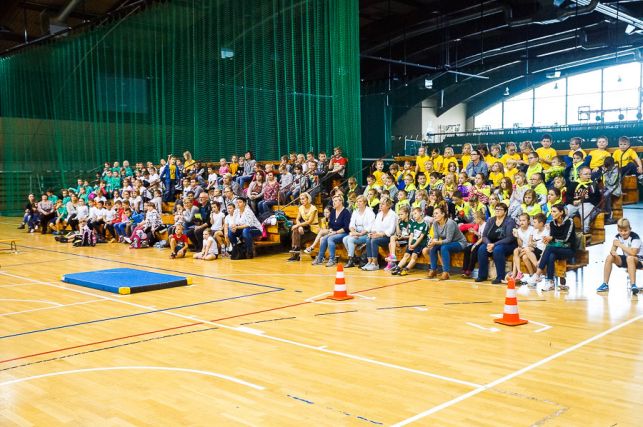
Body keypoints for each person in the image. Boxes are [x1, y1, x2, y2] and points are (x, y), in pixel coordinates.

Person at [528, 203, 576, 291]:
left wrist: (552, 238)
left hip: (568, 249)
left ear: (561, 212)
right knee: (551, 255)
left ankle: (537, 274)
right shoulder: (552, 223)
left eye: (554, 211)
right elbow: (552, 240)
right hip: (557, 249)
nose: (552, 214)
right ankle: (550, 282)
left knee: (550, 248)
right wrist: (548, 239)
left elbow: (565, 238)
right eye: (551, 211)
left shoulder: (569, 221)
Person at [596, 218, 641, 295]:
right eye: (621, 231)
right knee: (609, 257)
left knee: (630, 258)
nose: (623, 233)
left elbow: (633, 253)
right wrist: (614, 253)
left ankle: (633, 285)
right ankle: (605, 284)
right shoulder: (617, 237)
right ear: (618, 230)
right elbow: (612, 250)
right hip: (627, 259)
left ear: (630, 229)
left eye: (625, 231)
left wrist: (620, 245)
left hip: (639, 260)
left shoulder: (635, 237)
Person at [476, 202, 517, 284]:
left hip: (507, 245)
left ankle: (500, 277)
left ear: (505, 212)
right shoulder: (491, 220)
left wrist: (494, 245)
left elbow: (510, 238)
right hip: (491, 244)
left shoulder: (510, 221)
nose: (497, 211)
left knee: (498, 250)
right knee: (481, 249)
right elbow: (484, 236)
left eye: (500, 209)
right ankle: (482, 275)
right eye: (496, 209)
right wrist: (488, 244)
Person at [426, 205, 468, 280]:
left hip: (459, 243)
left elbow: (448, 240)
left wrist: (435, 242)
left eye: (436, 213)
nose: (434, 215)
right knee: (433, 247)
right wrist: (432, 242)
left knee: (444, 247)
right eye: (434, 214)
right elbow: (436, 237)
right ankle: (433, 270)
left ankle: (446, 272)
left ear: (443, 214)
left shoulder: (450, 223)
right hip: (448, 243)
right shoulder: (435, 223)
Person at [312, 195, 350, 267]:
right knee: (323, 238)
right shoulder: (333, 211)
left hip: (344, 233)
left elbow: (346, 227)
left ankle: (332, 259)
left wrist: (335, 232)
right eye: (333, 201)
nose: (333, 203)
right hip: (334, 232)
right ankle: (320, 258)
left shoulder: (346, 212)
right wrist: (331, 230)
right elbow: (330, 224)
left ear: (341, 201)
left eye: (335, 201)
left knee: (330, 238)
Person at [390, 207, 428, 276]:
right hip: (412, 243)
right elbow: (411, 235)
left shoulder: (425, 224)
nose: (414, 216)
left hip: (420, 244)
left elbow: (421, 237)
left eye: (416, 213)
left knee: (414, 256)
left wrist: (414, 245)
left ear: (421, 213)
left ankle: (406, 269)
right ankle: (398, 267)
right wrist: (410, 244)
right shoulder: (414, 224)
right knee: (406, 255)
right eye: (413, 214)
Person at [362, 198, 397, 271]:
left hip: (388, 237)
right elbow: (374, 227)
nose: (380, 205)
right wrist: (372, 233)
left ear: (388, 206)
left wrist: (380, 235)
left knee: (374, 241)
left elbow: (391, 230)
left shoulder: (393, 215)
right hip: (378, 235)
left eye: (382, 204)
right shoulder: (379, 214)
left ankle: (375, 263)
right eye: (380, 204)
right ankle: (369, 262)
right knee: (368, 239)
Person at [342, 195, 375, 268]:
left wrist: (361, 234)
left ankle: (350, 260)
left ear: (365, 203)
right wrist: (354, 232)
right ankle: (354, 257)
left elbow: (371, 226)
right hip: (357, 232)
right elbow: (351, 224)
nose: (358, 203)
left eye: (360, 201)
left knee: (350, 240)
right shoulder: (355, 211)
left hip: (366, 234)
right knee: (345, 239)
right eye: (357, 202)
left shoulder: (370, 212)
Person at [287, 192, 319, 262]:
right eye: (301, 199)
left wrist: (298, 225)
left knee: (298, 237)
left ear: (308, 199)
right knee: (295, 230)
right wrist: (299, 227)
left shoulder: (313, 208)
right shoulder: (301, 208)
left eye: (303, 199)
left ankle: (295, 254)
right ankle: (295, 253)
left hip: (314, 230)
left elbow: (309, 222)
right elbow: (297, 219)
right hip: (306, 228)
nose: (302, 201)